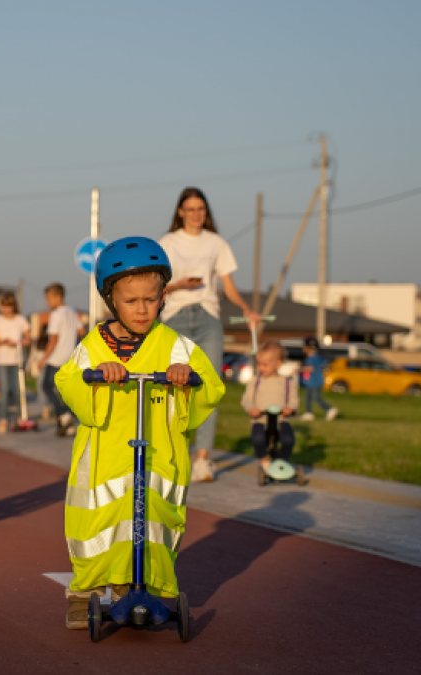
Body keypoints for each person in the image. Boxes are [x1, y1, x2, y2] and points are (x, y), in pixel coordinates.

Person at [54, 236, 224, 630]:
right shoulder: (96, 344)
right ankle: (86, 593)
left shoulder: (176, 347)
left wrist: (187, 382)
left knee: (158, 525)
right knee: (95, 527)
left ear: (163, 296)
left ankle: (158, 586)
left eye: (151, 298)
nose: (142, 308)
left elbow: (211, 387)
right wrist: (97, 379)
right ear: (112, 300)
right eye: (131, 301)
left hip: (159, 457)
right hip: (104, 461)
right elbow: (68, 380)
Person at [157, 186, 259, 475]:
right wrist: (179, 285)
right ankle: (175, 452)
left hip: (208, 317)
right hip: (175, 316)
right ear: (180, 212)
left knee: (208, 385)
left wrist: (246, 309)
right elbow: (156, 285)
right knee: (173, 387)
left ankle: (202, 459)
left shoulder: (216, 243)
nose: (196, 214)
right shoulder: (167, 242)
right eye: (190, 209)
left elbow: (227, 286)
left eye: (201, 209)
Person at [242, 340, 300, 471]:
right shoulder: (255, 381)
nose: (261, 368)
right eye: (259, 364)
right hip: (261, 419)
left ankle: (282, 462)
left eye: (265, 364)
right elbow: (246, 399)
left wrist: (290, 408)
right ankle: (264, 460)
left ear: (278, 364)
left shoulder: (287, 382)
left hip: (281, 420)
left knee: (288, 439)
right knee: (258, 439)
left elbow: (294, 399)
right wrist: (251, 408)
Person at [32, 283, 81, 436]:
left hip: (56, 358)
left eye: (48, 298)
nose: (47, 302)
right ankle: (65, 424)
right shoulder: (71, 312)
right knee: (63, 391)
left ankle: (64, 415)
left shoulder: (56, 314)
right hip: (70, 358)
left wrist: (43, 359)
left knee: (46, 387)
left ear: (58, 296)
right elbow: (82, 331)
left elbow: (53, 339)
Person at [0, 293, 31, 434]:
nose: (6, 309)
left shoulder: (21, 320)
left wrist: (22, 342)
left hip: (17, 360)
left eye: (9, 306)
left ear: (13, 307)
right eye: (4, 306)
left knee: (19, 390)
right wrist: (5, 341)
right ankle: (3, 419)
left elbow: (28, 338)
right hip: (3, 360)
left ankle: (21, 418)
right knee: (5, 390)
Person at [299, 337, 339, 421]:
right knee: (307, 397)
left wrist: (298, 369)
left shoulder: (312, 357)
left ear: (308, 348)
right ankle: (308, 413)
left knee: (315, 398)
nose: (303, 349)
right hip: (312, 382)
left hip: (315, 382)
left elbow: (310, 368)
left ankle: (330, 409)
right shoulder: (314, 356)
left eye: (304, 347)